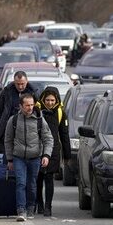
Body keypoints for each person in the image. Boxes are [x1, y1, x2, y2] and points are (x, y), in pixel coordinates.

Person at [4, 93, 53, 222]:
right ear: (21, 106)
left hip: (35, 157)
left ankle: (31, 207)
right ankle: (21, 210)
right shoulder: (13, 120)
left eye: (32, 105)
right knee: (21, 183)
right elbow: (8, 140)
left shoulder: (39, 120)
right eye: (27, 105)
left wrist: (46, 155)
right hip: (18, 157)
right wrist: (9, 159)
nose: (30, 108)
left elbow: (48, 139)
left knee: (32, 184)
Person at [36, 87, 71, 217]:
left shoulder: (61, 112)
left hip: (54, 150)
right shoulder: (36, 111)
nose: (50, 103)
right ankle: (39, 203)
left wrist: (67, 155)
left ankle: (48, 206)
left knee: (49, 177)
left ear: (56, 100)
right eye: (47, 100)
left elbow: (64, 134)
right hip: (37, 148)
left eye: (52, 100)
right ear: (43, 99)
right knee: (38, 178)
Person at [0, 71, 38, 153]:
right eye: (18, 84)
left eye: (22, 84)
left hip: (27, 131)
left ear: (27, 81)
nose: (20, 87)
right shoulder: (7, 92)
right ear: (14, 82)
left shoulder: (33, 93)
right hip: (8, 130)